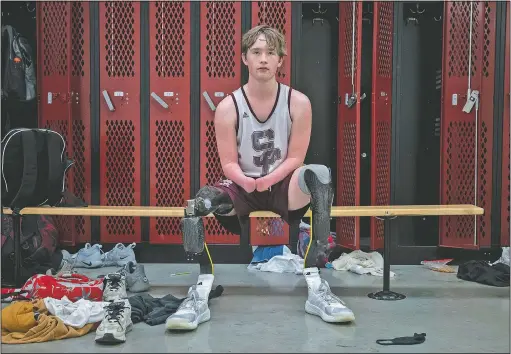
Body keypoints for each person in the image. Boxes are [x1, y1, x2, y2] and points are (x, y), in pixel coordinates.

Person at [165, 25, 355, 331]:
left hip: (284, 184)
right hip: (242, 185)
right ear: (245, 58)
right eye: (256, 52)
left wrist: (268, 180)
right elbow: (228, 162)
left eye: (270, 53)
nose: (263, 59)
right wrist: (247, 180)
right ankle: (199, 291)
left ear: (281, 60)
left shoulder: (299, 102)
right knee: (195, 205)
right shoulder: (228, 107)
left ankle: (317, 286)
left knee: (319, 175)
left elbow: (296, 157)